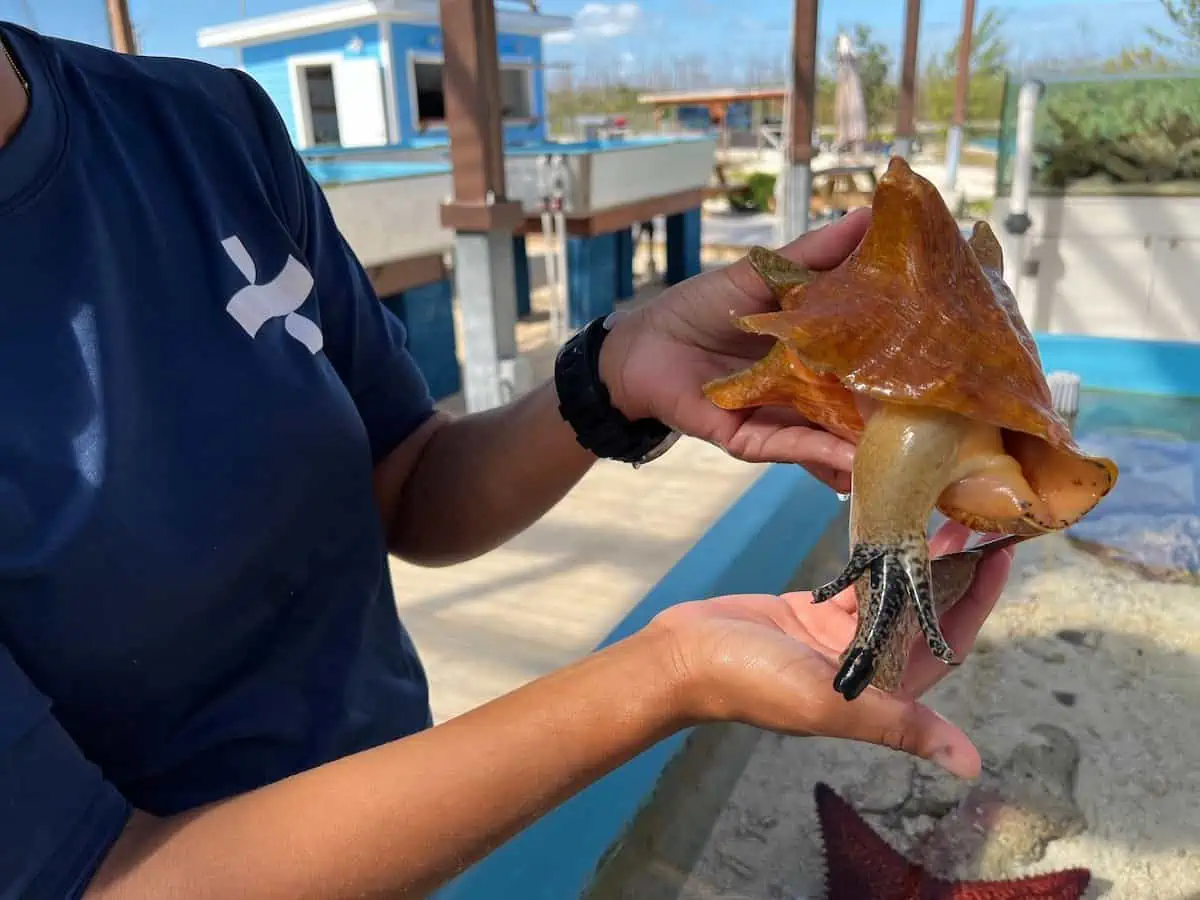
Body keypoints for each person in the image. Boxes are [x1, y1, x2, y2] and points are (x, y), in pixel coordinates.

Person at [0, 22, 1014, 900]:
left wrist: (611, 367)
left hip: (416, 819)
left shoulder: (204, 130)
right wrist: (669, 676)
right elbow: (103, 878)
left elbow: (407, 485)